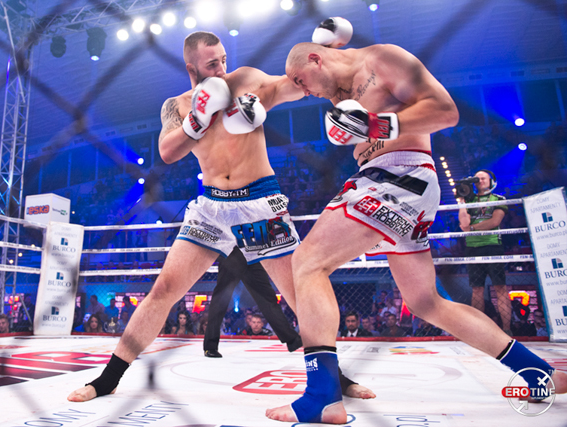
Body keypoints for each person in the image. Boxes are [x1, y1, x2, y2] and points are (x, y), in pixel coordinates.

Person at [266, 39, 566, 423]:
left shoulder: (382, 58)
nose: (304, 91)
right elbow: (281, 87)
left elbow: (446, 111)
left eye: (301, 80)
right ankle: (537, 371)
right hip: (394, 183)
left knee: (307, 263)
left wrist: (378, 124)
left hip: (397, 176)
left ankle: (322, 396)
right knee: (426, 303)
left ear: (315, 59)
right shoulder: (336, 91)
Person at [68, 31, 374, 404]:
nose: (222, 68)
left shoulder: (245, 81)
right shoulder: (177, 106)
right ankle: (109, 378)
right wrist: (197, 120)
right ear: (191, 67)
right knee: (164, 291)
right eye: (213, 63)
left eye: (224, 59)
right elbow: (167, 151)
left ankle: (334, 377)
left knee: (298, 294)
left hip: (259, 202)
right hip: (212, 208)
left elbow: (293, 86)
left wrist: (325, 58)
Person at [204, 247, 302, 358]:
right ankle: (210, 346)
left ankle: (292, 340)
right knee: (221, 299)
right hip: (232, 252)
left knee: (267, 298)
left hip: (252, 252)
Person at [458, 170, 512, 335]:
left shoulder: (499, 199)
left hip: (493, 245)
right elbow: (463, 224)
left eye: (483, 178)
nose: (480, 181)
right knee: (477, 289)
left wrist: (472, 228)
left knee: (500, 287)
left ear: (491, 181)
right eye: (477, 179)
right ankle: (479, 330)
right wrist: (461, 201)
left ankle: (507, 329)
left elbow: (495, 221)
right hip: (473, 247)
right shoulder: (469, 200)